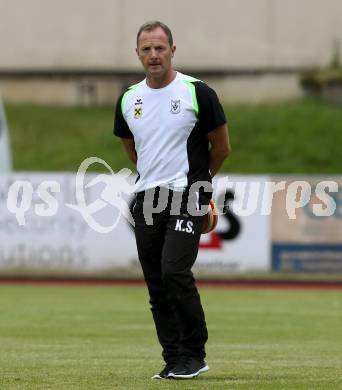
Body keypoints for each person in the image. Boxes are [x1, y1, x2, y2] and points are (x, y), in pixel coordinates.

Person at [114, 21, 231, 380]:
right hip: (148, 199)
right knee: (156, 283)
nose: (153, 55)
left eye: (160, 48)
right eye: (146, 49)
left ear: (172, 51)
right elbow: (134, 152)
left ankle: (194, 355)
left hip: (189, 194)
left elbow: (222, 147)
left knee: (174, 271)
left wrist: (201, 184)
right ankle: (173, 358)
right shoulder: (128, 98)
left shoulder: (198, 92)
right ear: (137, 54)